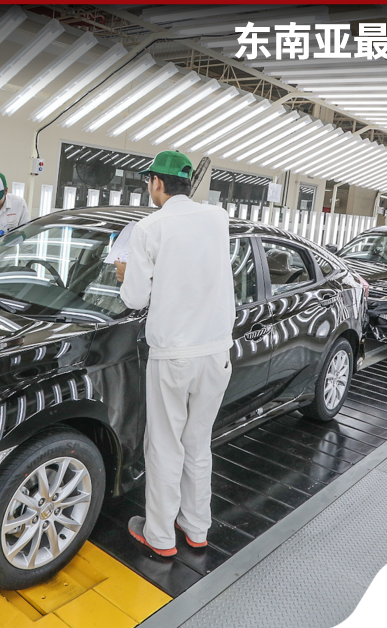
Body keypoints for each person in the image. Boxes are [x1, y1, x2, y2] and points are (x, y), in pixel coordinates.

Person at [115, 150, 234, 557]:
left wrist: (125, 273)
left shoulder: (150, 227)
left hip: (173, 354)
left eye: (149, 181)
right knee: (198, 445)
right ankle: (197, 528)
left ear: (157, 183)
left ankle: (161, 537)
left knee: (165, 446)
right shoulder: (218, 218)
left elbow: (135, 299)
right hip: (216, 352)